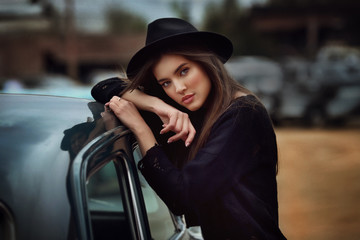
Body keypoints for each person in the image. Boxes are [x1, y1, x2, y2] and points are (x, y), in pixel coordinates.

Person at [92, 18, 286, 239]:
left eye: (184, 71)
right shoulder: (190, 112)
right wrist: (158, 105)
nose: (179, 88)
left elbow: (182, 196)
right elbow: (103, 87)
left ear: (205, 63)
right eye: (166, 83)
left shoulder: (244, 113)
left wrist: (141, 129)